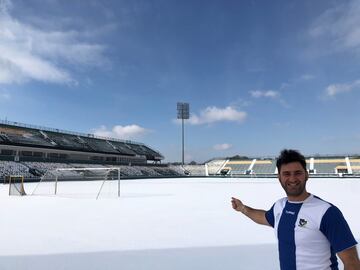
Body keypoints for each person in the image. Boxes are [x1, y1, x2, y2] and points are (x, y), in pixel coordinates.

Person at [231, 149, 360, 270]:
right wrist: (243, 208)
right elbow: (264, 217)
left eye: (298, 173)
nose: (292, 179)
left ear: (306, 175)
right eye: (286, 174)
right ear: (279, 178)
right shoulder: (279, 206)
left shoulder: (327, 212)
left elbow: (352, 263)